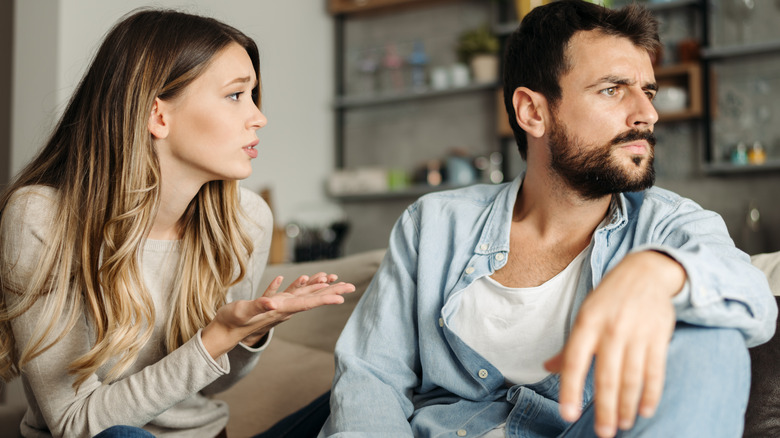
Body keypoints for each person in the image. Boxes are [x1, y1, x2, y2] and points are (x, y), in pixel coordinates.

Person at [320, 1, 777, 437]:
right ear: (532, 111)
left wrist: (665, 270)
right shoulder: (435, 224)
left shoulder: (670, 224)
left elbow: (754, 299)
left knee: (712, 344)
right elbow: (371, 376)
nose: (647, 114)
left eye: (648, 91)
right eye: (612, 89)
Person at [0, 9, 355, 438]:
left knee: (368, 395)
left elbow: (211, 384)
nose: (258, 117)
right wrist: (216, 336)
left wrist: (246, 335)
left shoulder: (246, 220)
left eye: (253, 95)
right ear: (158, 116)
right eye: (235, 95)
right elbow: (75, 423)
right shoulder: (41, 216)